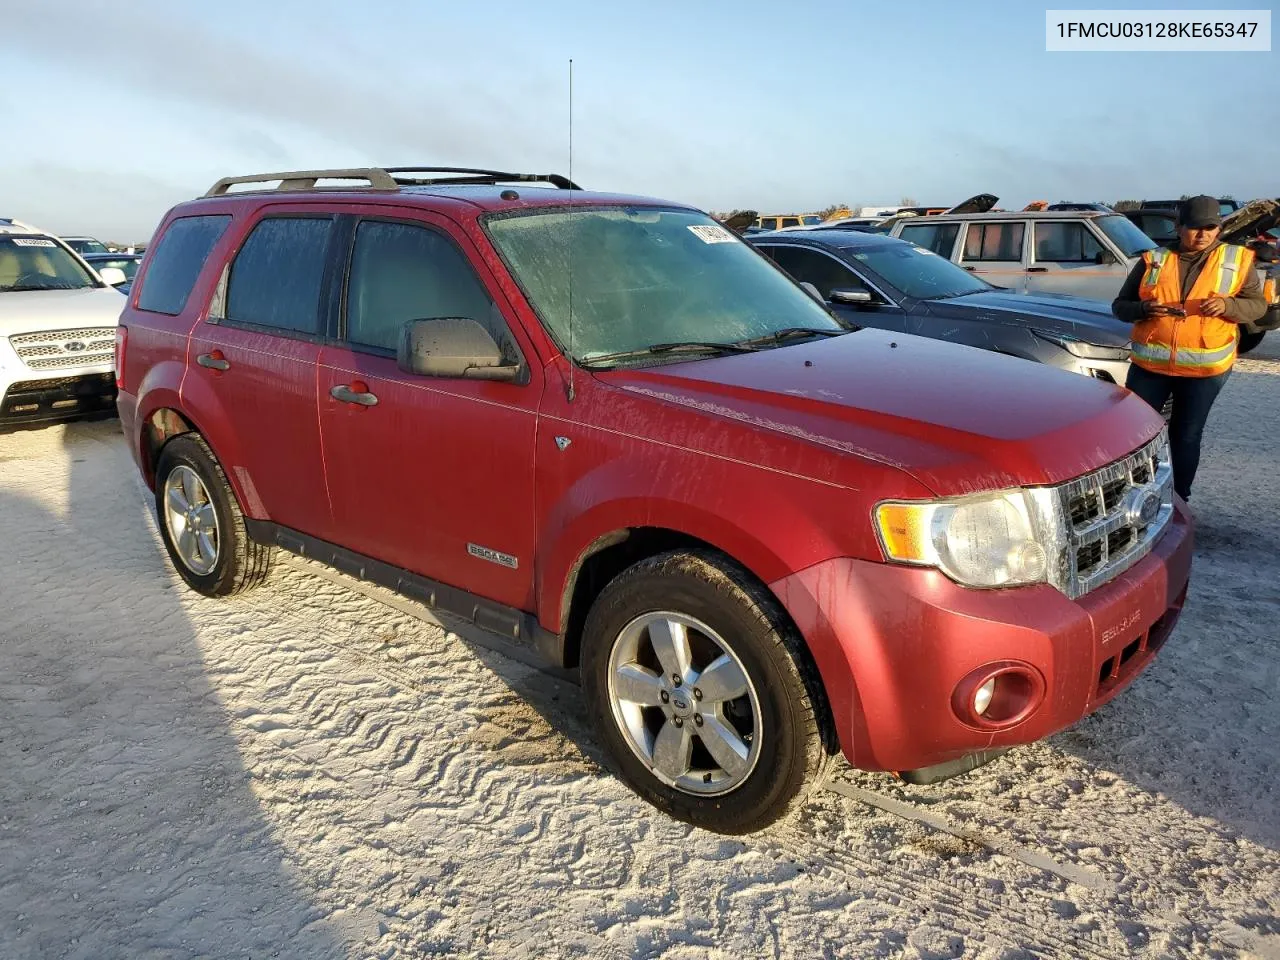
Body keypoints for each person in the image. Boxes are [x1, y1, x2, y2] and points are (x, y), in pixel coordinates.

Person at [1112, 195, 1267, 503]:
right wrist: (1143, 308)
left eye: (1210, 228)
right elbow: (1120, 306)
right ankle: (1130, 495)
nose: (1202, 235)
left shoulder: (1235, 261)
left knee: (1185, 436)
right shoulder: (1153, 259)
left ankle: (1178, 499)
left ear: (1219, 229)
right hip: (1150, 367)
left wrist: (1227, 304)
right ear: (1179, 227)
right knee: (1135, 435)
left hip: (1204, 371)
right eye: (1195, 228)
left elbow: (1258, 306)